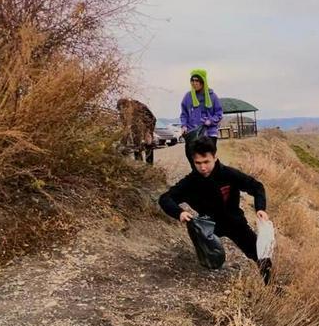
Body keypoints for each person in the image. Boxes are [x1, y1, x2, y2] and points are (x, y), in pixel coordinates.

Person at [158, 137, 273, 284]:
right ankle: (206, 258)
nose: (203, 167)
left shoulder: (229, 174)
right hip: (208, 225)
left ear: (215, 157)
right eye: (198, 163)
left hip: (234, 222)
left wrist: (260, 208)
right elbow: (165, 198)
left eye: (206, 162)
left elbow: (257, 187)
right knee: (203, 244)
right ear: (193, 161)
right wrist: (179, 212)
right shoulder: (191, 182)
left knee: (260, 254)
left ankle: (271, 285)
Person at [180, 69, 223, 171]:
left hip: (209, 133)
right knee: (192, 157)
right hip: (193, 132)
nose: (194, 83)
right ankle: (197, 177)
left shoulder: (212, 96)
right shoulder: (187, 97)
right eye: (192, 80)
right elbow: (184, 114)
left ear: (203, 82)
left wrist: (210, 121)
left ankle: (212, 177)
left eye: (197, 80)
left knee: (207, 159)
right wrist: (184, 125)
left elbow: (219, 113)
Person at [117, 97, 156, 165]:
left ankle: (149, 167)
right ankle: (139, 166)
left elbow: (153, 119)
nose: (124, 112)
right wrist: (123, 143)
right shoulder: (122, 113)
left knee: (148, 144)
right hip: (135, 130)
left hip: (145, 127)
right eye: (122, 110)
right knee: (136, 147)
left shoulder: (140, 106)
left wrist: (148, 132)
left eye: (125, 109)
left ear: (128, 105)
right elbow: (125, 127)